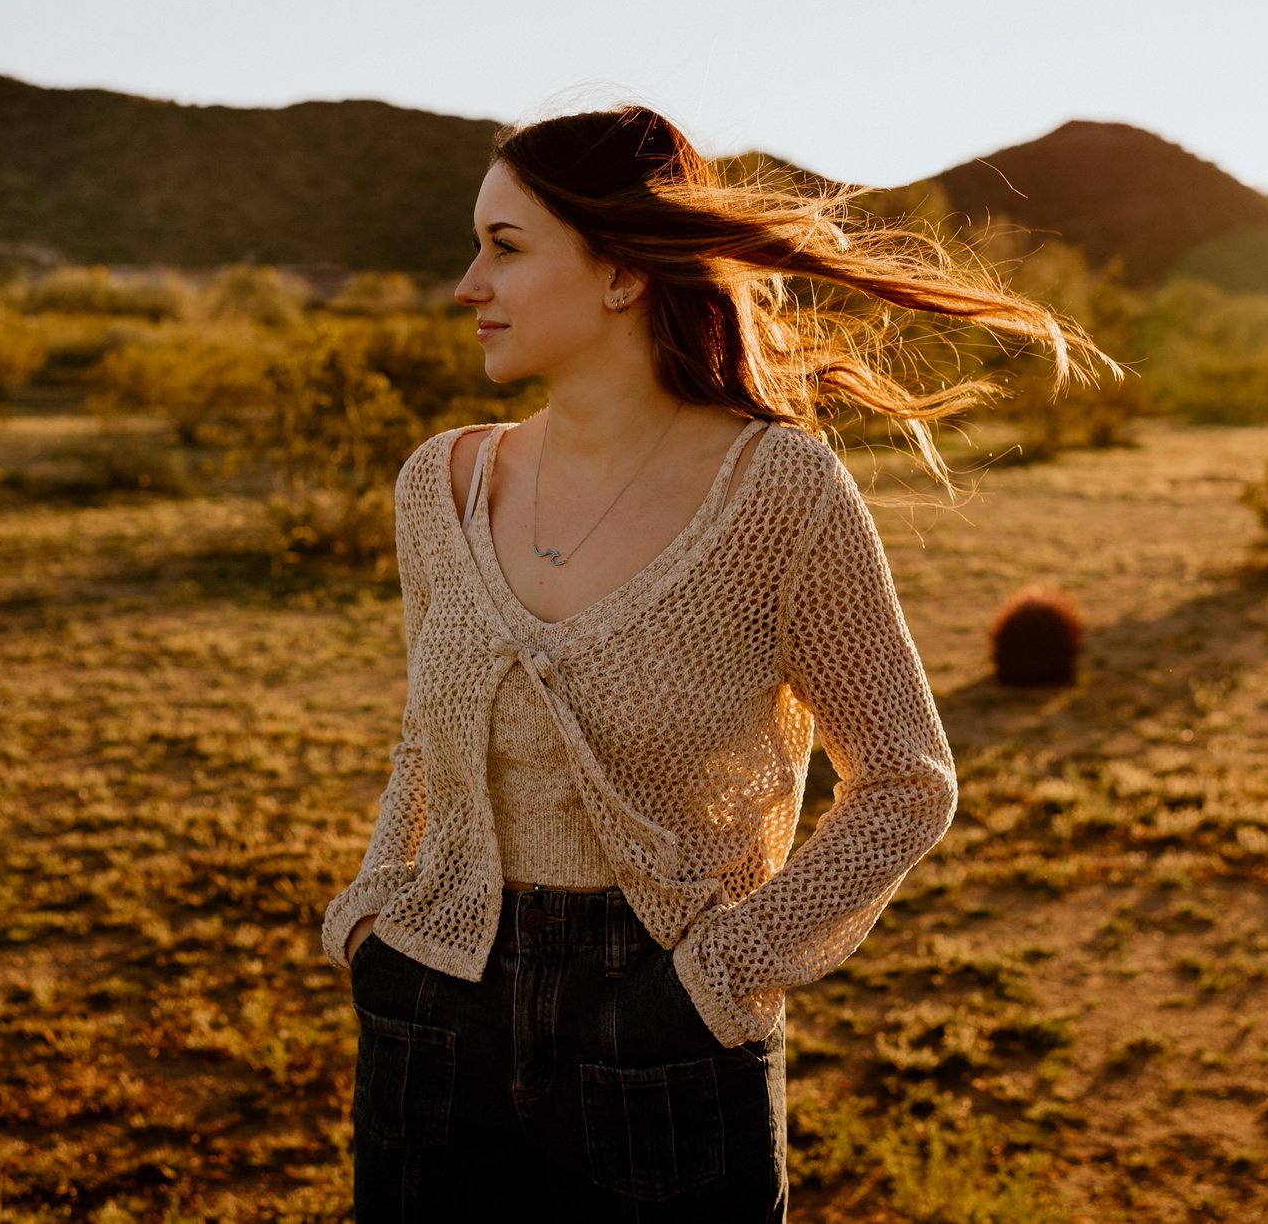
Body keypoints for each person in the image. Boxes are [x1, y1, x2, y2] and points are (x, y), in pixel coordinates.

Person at [322, 105, 1117, 1221]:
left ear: (618, 274)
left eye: (504, 248)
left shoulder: (777, 496)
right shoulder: (439, 487)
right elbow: (427, 739)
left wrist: (713, 980)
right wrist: (369, 919)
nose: (466, 285)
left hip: (663, 1035)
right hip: (430, 1013)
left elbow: (904, 781)